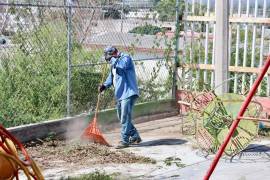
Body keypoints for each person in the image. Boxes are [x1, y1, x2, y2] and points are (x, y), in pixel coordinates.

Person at [99, 46, 142, 148]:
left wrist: (113, 59)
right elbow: (111, 77)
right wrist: (104, 86)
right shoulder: (113, 64)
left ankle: (125, 140)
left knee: (125, 117)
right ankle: (135, 135)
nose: (108, 60)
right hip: (120, 94)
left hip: (129, 92)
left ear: (113, 53)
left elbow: (122, 66)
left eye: (109, 57)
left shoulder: (125, 58)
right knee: (121, 117)